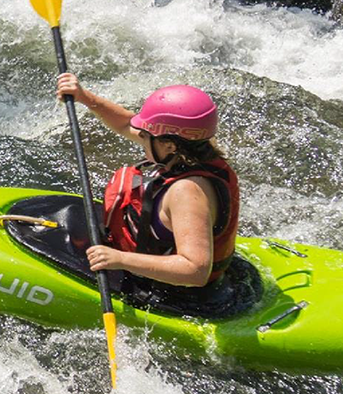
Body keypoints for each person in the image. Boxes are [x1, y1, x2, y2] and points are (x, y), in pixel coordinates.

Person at [55, 73, 240, 288]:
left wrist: (119, 259)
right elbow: (125, 123)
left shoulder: (188, 192)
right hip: (146, 249)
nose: (139, 138)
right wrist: (85, 97)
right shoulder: (194, 147)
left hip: (174, 292)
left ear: (170, 145)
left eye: (144, 137)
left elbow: (195, 271)